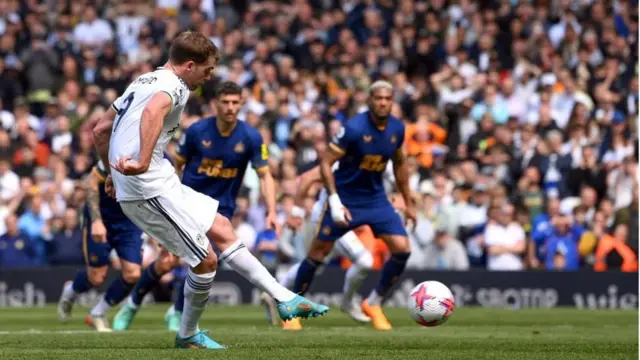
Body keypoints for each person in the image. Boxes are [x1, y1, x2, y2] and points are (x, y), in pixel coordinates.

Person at [92, 32, 327, 349]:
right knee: (206, 261)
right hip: (147, 187)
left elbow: (101, 128)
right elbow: (151, 113)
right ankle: (187, 333)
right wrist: (140, 162)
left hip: (157, 179)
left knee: (222, 227)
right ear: (189, 65)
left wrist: (110, 172)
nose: (210, 76)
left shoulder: (142, 81)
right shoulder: (175, 86)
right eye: (208, 69)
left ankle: (286, 298)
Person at [111, 80, 282, 332]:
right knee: (167, 262)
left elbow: (265, 175)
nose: (230, 107)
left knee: (202, 259)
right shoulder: (197, 132)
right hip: (184, 203)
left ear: (242, 104)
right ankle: (132, 305)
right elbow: (175, 165)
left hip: (220, 210)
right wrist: (165, 204)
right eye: (225, 102)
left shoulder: (251, 137)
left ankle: (177, 312)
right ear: (216, 104)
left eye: (235, 103)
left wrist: (272, 211)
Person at [289, 80, 415, 331]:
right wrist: (334, 201)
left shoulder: (397, 129)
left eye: (387, 99)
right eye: (378, 98)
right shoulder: (355, 128)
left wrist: (408, 202)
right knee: (317, 254)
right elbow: (325, 161)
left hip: (376, 198)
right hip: (345, 198)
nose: (382, 103)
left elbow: (400, 165)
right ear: (370, 100)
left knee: (402, 249)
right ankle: (292, 310)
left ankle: (374, 302)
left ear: (392, 102)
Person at [269, 163, 375, 330]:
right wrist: (296, 213)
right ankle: (347, 302)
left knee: (314, 264)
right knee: (365, 260)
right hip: (329, 218)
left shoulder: (374, 160)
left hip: (340, 220)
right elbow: (306, 178)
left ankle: (275, 291)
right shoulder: (341, 159)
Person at [56, 159, 144, 332]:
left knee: (133, 274)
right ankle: (71, 290)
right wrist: (96, 220)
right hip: (102, 219)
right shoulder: (119, 154)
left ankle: (98, 312)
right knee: (96, 277)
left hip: (129, 222)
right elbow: (91, 182)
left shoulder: (162, 161)